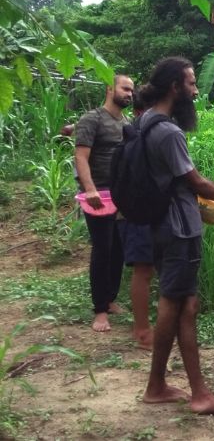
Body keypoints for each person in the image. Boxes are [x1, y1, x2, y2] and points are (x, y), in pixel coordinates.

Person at [137, 57, 214, 415]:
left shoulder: (144, 122)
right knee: (175, 302)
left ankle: (173, 386)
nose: (196, 90)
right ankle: (185, 392)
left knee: (186, 304)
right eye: (192, 83)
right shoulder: (168, 131)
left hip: (160, 223)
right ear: (175, 87)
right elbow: (193, 180)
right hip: (179, 228)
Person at [73, 73, 134, 333]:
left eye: (132, 90)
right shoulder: (92, 119)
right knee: (102, 248)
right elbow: (81, 157)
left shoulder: (128, 123)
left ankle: (110, 299)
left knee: (119, 248)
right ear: (110, 88)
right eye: (125, 89)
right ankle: (99, 310)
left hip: (120, 195)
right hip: (98, 195)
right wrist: (90, 190)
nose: (129, 94)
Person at [121, 85, 155, 349]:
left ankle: (145, 328)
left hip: (143, 210)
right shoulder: (140, 131)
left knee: (147, 270)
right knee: (143, 270)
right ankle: (142, 330)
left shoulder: (137, 129)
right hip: (142, 210)